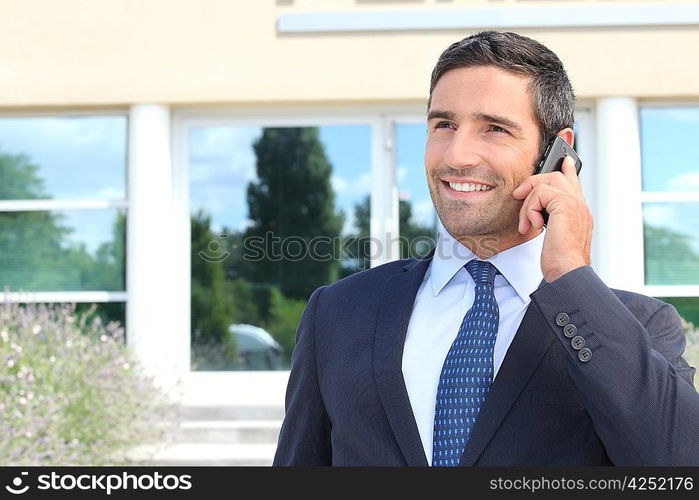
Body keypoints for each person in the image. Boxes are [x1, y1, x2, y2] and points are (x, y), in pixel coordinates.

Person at [273, 31, 699, 466]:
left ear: (557, 153)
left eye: (494, 128)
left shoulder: (639, 326)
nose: (456, 155)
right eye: (444, 125)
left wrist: (570, 275)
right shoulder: (337, 313)